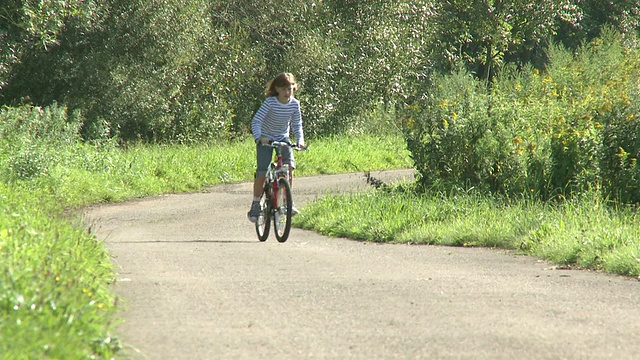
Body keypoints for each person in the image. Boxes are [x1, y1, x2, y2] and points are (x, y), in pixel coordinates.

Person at [248, 72, 306, 223]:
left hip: (282, 138)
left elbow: (297, 125)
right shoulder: (270, 103)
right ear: (278, 89)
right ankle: (255, 204)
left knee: (289, 167)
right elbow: (256, 121)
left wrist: (300, 141)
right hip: (266, 138)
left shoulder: (294, 104)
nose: (288, 93)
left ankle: (287, 202)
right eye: (285, 89)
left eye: (291, 89)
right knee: (262, 171)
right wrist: (260, 138)